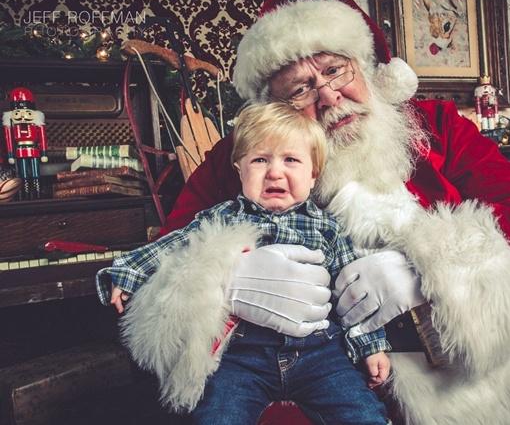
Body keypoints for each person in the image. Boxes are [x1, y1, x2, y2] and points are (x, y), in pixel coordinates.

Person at [121, 0, 510, 424]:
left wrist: (429, 272)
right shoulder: (245, 153)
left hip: (455, 342)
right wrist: (228, 280)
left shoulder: (436, 125)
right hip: (315, 363)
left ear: (368, 67)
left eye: (335, 69)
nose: (328, 97)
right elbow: (175, 246)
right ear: (274, 106)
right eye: (300, 88)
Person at [96, 102, 392, 423]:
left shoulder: (328, 227)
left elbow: (353, 296)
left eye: (291, 160)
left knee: (364, 414)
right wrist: (129, 271)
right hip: (241, 356)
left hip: (319, 353)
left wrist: (370, 346)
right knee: (218, 415)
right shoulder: (223, 217)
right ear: (240, 169)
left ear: (313, 174)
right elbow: (175, 246)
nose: (275, 172)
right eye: (260, 160)